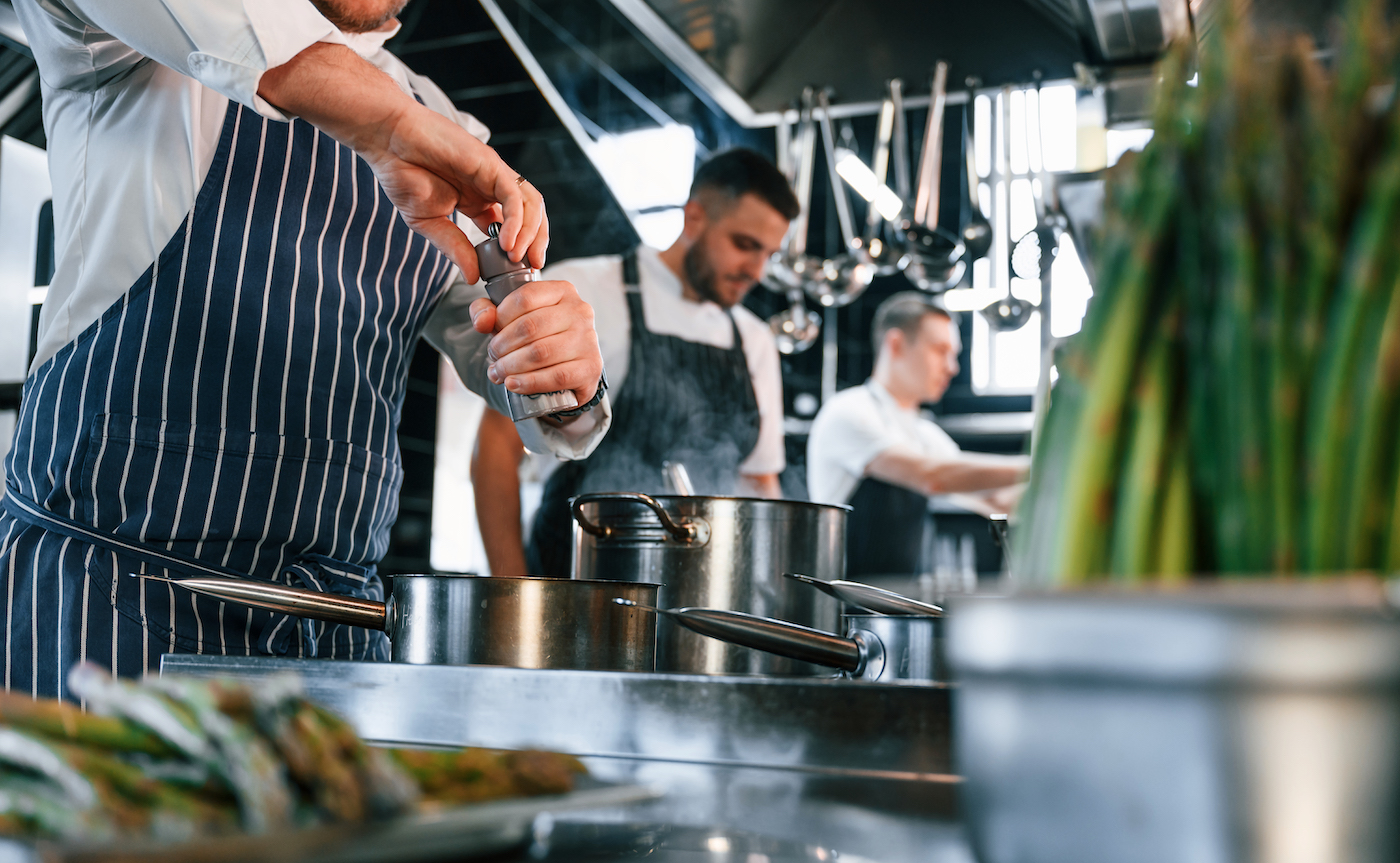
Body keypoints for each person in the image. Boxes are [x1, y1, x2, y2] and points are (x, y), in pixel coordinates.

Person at [0, 0, 609, 697]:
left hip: (331, 633)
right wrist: (389, 129)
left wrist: (564, 375)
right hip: (105, 608)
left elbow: (508, 364)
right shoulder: (142, 41)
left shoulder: (448, 123)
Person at [472, 149, 797, 578]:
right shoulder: (583, 291)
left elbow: (758, 482)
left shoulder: (755, 340)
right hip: (574, 583)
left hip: (700, 599)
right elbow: (497, 445)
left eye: (769, 254)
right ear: (694, 218)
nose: (756, 270)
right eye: (744, 245)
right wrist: (511, 590)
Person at [807, 292, 1028, 576]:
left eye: (954, 355)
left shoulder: (923, 433)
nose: (952, 368)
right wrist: (1037, 467)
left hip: (891, 606)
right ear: (895, 344)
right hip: (836, 606)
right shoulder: (848, 411)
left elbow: (997, 501)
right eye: (940, 350)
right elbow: (932, 476)